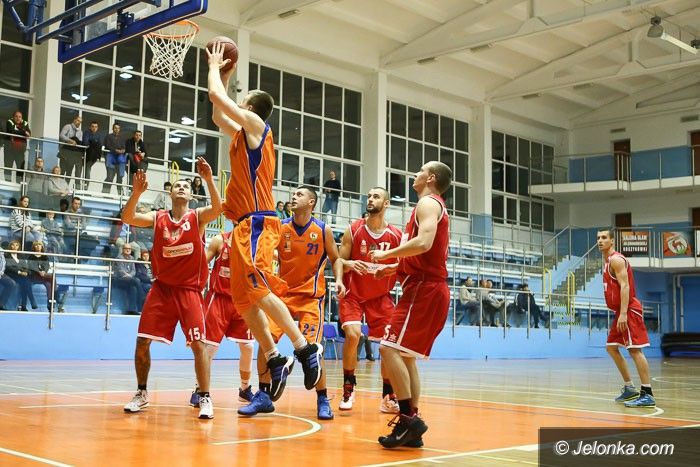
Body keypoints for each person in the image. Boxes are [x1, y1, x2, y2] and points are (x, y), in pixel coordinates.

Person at [207, 42, 323, 403]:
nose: (237, 106)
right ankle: (274, 358)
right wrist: (226, 75)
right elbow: (217, 114)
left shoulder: (258, 126)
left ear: (250, 108)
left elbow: (216, 97)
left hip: (258, 222)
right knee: (243, 302)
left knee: (258, 290)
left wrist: (214, 67)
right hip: (243, 224)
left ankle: (304, 348)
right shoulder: (241, 135)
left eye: (242, 102)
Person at [121, 158, 222, 419]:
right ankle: (141, 392)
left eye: (186, 186)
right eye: (178, 185)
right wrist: (136, 193)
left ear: (191, 195)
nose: (182, 188)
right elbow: (128, 217)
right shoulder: (158, 218)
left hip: (189, 291)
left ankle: (205, 396)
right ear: (170, 193)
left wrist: (209, 180)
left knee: (199, 344)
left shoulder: (197, 217)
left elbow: (218, 208)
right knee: (142, 341)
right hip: (162, 289)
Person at [369, 161, 452, 448]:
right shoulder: (431, 206)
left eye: (420, 170)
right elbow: (423, 255)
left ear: (431, 178)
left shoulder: (428, 204)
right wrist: (393, 268)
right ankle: (412, 426)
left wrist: (387, 254)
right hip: (427, 288)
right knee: (405, 357)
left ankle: (408, 419)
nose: (414, 174)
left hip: (423, 290)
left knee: (387, 348)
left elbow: (424, 243)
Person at [239, 186, 341, 420]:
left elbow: (336, 259)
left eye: (300, 194)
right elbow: (265, 254)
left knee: (312, 349)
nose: (293, 196)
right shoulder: (280, 227)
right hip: (282, 296)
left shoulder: (322, 229)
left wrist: (339, 280)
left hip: (310, 298)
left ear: (312, 202)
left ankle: (323, 399)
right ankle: (264, 396)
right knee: (265, 341)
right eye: (293, 194)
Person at [334, 187, 402, 414]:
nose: (370, 199)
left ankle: (388, 396)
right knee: (353, 335)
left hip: (381, 296)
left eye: (376, 196)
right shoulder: (353, 230)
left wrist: (389, 270)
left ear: (386, 203)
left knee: (387, 346)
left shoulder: (395, 236)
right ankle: (348, 387)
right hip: (353, 294)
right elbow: (339, 261)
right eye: (369, 196)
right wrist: (345, 272)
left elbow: (404, 266)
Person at [189, 230, 256, 409]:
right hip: (219, 299)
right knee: (209, 348)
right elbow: (200, 263)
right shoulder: (220, 241)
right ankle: (199, 389)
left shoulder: (254, 242)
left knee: (248, 347)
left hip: (243, 300)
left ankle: (245, 389)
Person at [597, 228, 655, 408]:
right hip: (621, 311)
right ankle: (629, 388)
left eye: (604, 237)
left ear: (612, 241)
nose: (600, 241)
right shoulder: (607, 261)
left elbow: (625, 286)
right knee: (611, 347)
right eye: (598, 238)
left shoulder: (616, 260)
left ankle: (647, 393)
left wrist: (623, 313)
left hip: (629, 310)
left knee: (635, 350)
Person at [4, 238, 37, 311]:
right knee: (26, 282)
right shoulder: (6, 255)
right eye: (13, 245)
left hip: (21, 276)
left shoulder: (21, 256)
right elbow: (9, 267)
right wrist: (19, 271)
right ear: (10, 246)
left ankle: (24, 305)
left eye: (16, 245)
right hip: (11, 275)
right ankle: (29, 302)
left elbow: (25, 266)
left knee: (26, 283)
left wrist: (26, 272)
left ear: (18, 247)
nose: (14, 247)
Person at [112, 244, 144, 315]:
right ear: (122, 249)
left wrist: (129, 275)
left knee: (133, 288)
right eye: (126, 248)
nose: (128, 250)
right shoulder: (119, 258)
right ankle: (142, 297)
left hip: (128, 280)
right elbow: (120, 270)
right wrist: (128, 275)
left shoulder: (132, 258)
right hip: (119, 280)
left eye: (129, 249)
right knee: (137, 280)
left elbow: (133, 270)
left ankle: (131, 310)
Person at [27, 240, 53, 311]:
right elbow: (31, 266)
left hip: (43, 276)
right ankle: (55, 289)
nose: (38, 246)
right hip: (34, 276)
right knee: (52, 277)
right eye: (36, 245)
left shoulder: (45, 256)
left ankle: (49, 302)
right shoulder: (31, 256)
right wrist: (38, 271)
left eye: (39, 245)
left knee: (49, 285)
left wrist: (44, 271)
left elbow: (47, 265)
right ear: (34, 247)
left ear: (42, 247)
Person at [4, 110, 30, 182]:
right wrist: (23, 131)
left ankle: (19, 184)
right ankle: (7, 184)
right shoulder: (9, 122)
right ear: (13, 117)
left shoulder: (25, 123)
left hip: (20, 151)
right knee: (8, 168)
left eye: (20, 117)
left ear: (21, 118)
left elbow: (29, 133)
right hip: (9, 150)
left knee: (20, 168)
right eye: (16, 116)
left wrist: (19, 131)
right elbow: (11, 131)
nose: (18, 118)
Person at [102, 123, 126, 195]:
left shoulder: (121, 138)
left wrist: (123, 150)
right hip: (110, 157)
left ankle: (121, 195)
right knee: (110, 177)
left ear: (119, 129)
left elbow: (123, 147)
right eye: (115, 128)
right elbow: (107, 146)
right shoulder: (108, 136)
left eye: (118, 128)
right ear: (112, 128)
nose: (116, 129)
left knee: (120, 178)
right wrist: (116, 150)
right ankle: (105, 193)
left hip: (119, 159)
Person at [59, 116, 84, 182]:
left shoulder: (80, 132)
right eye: (78, 120)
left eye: (80, 122)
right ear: (74, 120)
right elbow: (61, 135)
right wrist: (70, 140)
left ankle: (66, 186)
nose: (79, 123)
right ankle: (60, 186)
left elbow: (79, 142)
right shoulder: (68, 126)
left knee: (69, 172)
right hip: (65, 152)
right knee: (62, 171)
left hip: (72, 154)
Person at [82, 121, 102, 189]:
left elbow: (99, 145)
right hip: (86, 154)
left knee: (87, 169)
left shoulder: (98, 134)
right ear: (90, 127)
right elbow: (85, 143)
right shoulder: (87, 132)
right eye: (92, 126)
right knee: (87, 169)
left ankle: (86, 186)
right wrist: (94, 142)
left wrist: (92, 142)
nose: (94, 128)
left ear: (97, 128)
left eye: (95, 127)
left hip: (94, 156)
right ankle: (85, 186)